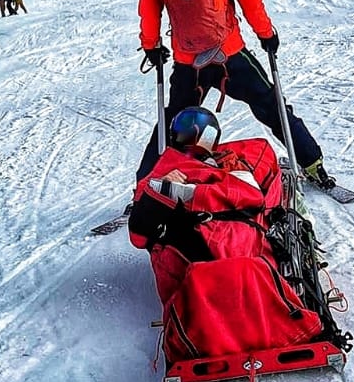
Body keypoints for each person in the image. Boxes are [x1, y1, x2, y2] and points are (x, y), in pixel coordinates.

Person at [135, 0, 335, 187]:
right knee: (271, 104)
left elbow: (149, 8)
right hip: (229, 54)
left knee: (173, 120)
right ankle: (311, 162)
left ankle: (147, 182)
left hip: (189, 61)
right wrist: (266, 34)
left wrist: (151, 46)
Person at [129, 105, 324, 363]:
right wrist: (164, 190)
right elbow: (139, 233)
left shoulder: (234, 162)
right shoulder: (166, 171)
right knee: (239, 263)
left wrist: (184, 193)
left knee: (231, 259)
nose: (190, 139)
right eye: (186, 132)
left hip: (224, 236)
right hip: (208, 242)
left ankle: (203, 323)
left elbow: (251, 195)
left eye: (193, 133)